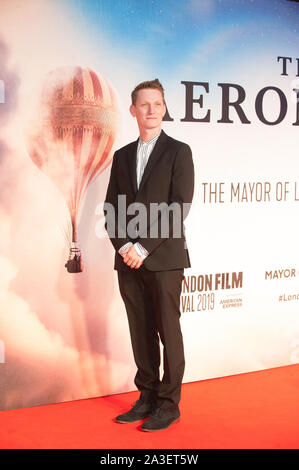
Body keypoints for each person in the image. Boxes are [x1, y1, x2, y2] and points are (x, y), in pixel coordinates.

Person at [104, 79, 194, 432]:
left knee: (167, 330)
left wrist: (143, 246)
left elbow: (179, 205)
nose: (152, 109)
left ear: (164, 108)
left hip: (164, 257)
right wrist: (124, 246)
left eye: (157, 103)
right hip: (128, 260)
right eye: (145, 104)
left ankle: (169, 405)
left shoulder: (179, 151)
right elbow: (112, 205)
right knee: (140, 331)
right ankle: (147, 397)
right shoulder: (122, 156)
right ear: (133, 110)